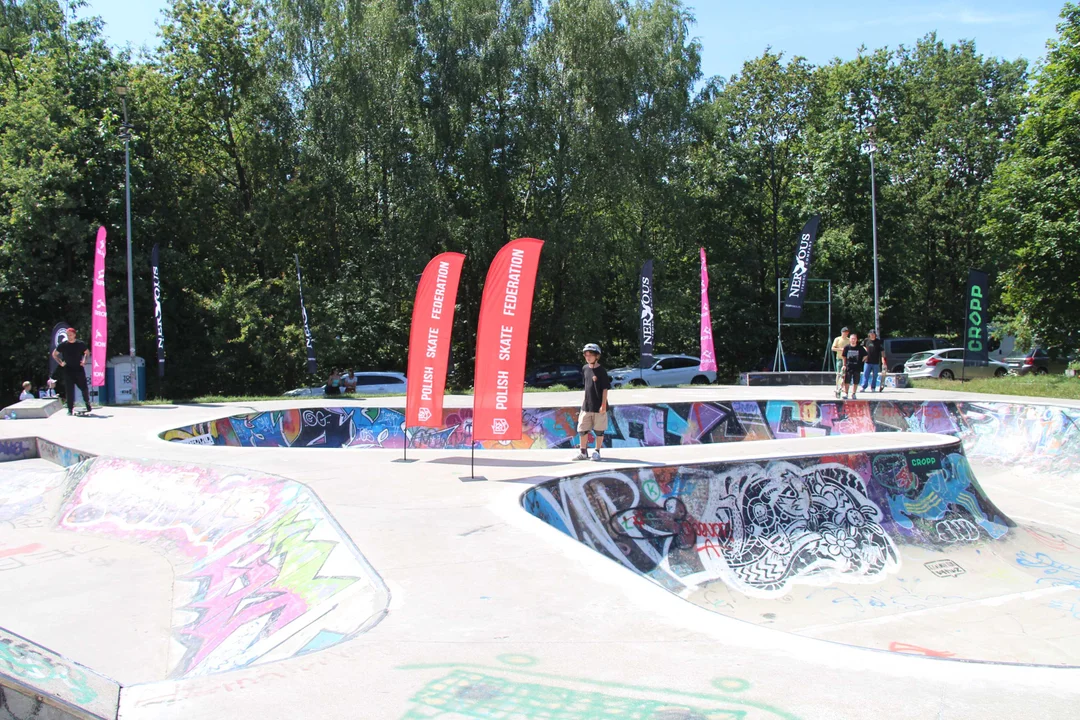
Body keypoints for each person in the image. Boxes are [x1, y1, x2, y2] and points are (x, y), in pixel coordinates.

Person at [574, 343, 610, 461]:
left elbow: (605, 389)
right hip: (586, 406)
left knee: (599, 430)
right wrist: (584, 403)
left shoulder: (601, 371)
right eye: (586, 355)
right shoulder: (585, 368)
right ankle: (583, 452)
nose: (588, 357)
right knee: (582, 429)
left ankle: (597, 451)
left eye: (591, 355)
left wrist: (603, 405)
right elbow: (586, 387)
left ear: (597, 356)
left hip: (599, 406)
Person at [51, 327, 92, 415]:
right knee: (69, 390)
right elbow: (54, 354)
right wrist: (60, 362)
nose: (69, 336)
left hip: (79, 369)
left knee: (84, 388)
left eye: (70, 335)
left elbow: (87, 352)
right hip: (68, 370)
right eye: (68, 335)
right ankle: (70, 409)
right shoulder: (63, 345)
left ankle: (87, 403)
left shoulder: (80, 344)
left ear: (74, 335)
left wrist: (85, 360)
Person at [841, 332, 867, 400]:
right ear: (850, 339)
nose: (853, 340)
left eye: (854, 339)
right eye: (852, 339)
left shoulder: (860, 348)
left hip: (857, 367)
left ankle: (854, 393)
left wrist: (861, 361)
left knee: (856, 381)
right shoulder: (847, 347)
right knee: (847, 381)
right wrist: (844, 365)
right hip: (849, 366)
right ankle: (846, 393)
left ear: (856, 340)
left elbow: (866, 355)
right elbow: (844, 356)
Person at [832, 327, 850, 399]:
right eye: (844, 332)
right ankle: (837, 386)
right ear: (842, 332)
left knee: (844, 374)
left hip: (847, 359)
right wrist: (841, 349)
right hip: (839, 358)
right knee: (839, 373)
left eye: (847, 332)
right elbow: (833, 348)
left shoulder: (849, 340)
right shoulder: (837, 339)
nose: (845, 333)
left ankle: (842, 386)